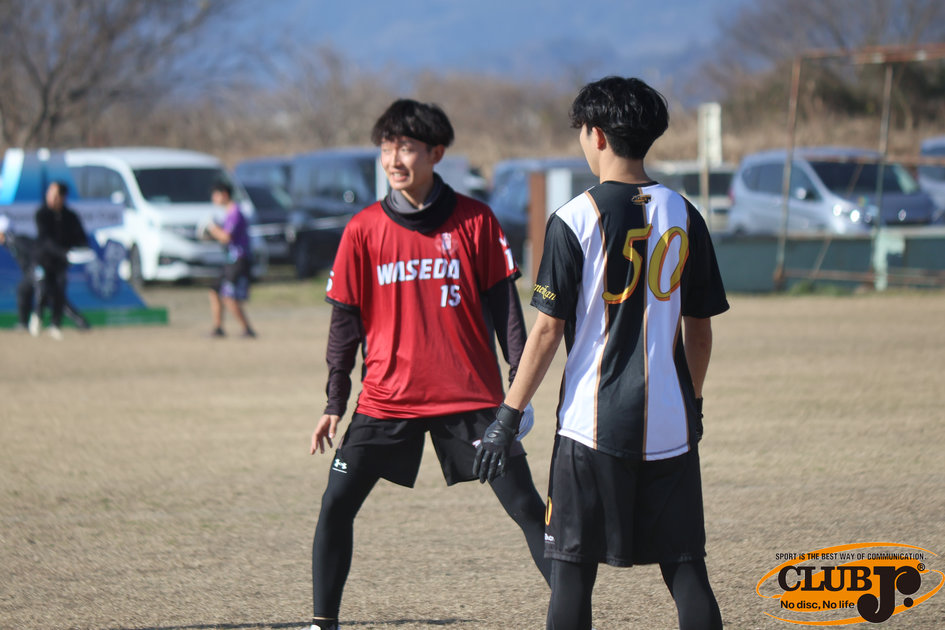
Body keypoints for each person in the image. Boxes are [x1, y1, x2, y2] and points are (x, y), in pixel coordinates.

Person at [474, 77, 729, 630]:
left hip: (590, 427)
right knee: (687, 570)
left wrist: (507, 417)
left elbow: (546, 332)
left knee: (571, 572)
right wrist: (693, 404)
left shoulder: (573, 218)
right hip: (669, 421)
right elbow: (700, 330)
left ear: (596, 135)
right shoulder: (686, 213)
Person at [305, 99, 550, 630]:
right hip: (385, 400)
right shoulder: (362, 229)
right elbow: (344, 323)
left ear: (437, 153)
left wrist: (519, 389)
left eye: (407, 148)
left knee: (528, 507)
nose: (394, 159)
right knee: (335, 503)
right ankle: (323, 624)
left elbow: (507, 312)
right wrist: (334, 401)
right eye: (387, 147)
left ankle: (574, 614)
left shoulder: (476, 221)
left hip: (470, 399)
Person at [0, 217, 90, 332]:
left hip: (38, 272)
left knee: (52, 298)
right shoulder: (11, 243)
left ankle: (80, 321)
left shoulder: (17, 241)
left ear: (4, 232)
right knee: (23, 290)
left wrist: (39, 270)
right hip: (31, 274)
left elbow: (35, 254)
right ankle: (23, 323)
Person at [30, 182, 89, 340]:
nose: (51, 198)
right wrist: (64, 253)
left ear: (63, 197)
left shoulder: (71, 216)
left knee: (59, 292)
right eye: (50, 194)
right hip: (43, 260)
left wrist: (82, 249)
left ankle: (55, 325)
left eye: (55, 195)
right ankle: (37, 317)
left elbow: (81, 237)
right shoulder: (42, 214)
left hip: (61, 263)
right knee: (43, 289)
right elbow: (46, 241)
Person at [204, 180, 256, 338]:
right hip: (229, 260)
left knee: (228, 297)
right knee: (214, 291)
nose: (213, 199)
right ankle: (218, 328)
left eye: (215, 195)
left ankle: (247, 329)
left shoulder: (235, 213)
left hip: (238, 260)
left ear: (224, 194)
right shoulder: (228, 213)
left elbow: (226, 237)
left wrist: (212, 229)